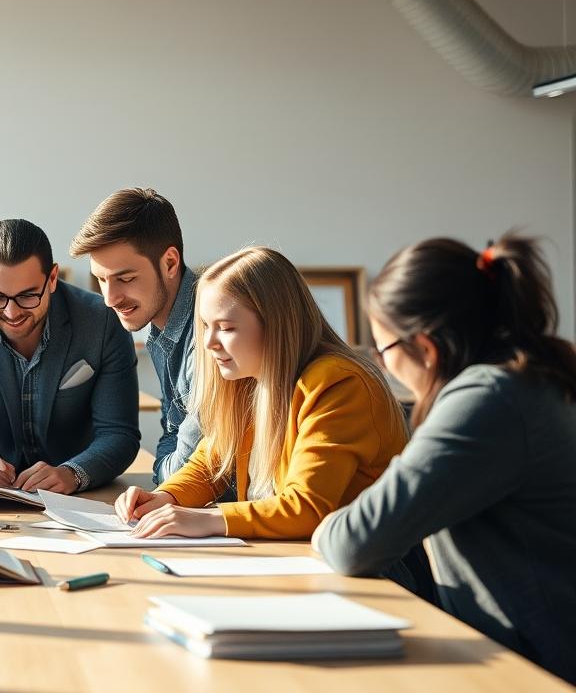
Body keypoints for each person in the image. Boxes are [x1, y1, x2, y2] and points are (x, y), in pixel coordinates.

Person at [314, 234, 576, 684]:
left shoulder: (487, 401)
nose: (382, 363)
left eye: (384, 350)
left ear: (426, 347)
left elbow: (351, 543)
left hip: (536, 665)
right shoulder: (527, 380)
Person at [114, 246, 408, 540]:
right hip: (299, 559)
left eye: (226, 328)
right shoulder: (248, 379)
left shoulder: (339, 384)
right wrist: (165, 498)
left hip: (376, 574)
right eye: (206, 327)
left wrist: (206, 519)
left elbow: (306, 508)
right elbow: (210, 464)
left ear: (276, 324)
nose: (209, 343)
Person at [0, 219, 140, 493]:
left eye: (27, 297)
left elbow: (120, 434)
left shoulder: (102, 320)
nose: (11, 313)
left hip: (79, 492)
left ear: (52, 279)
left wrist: (72, 473)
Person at [71, 187, 206, 485]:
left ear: (170, 263)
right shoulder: (161, 328)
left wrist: (163, 474)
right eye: (101, 280)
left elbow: (191, 471)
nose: (110, 298)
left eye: (126, 278)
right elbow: (172, 434)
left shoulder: (210, 332)